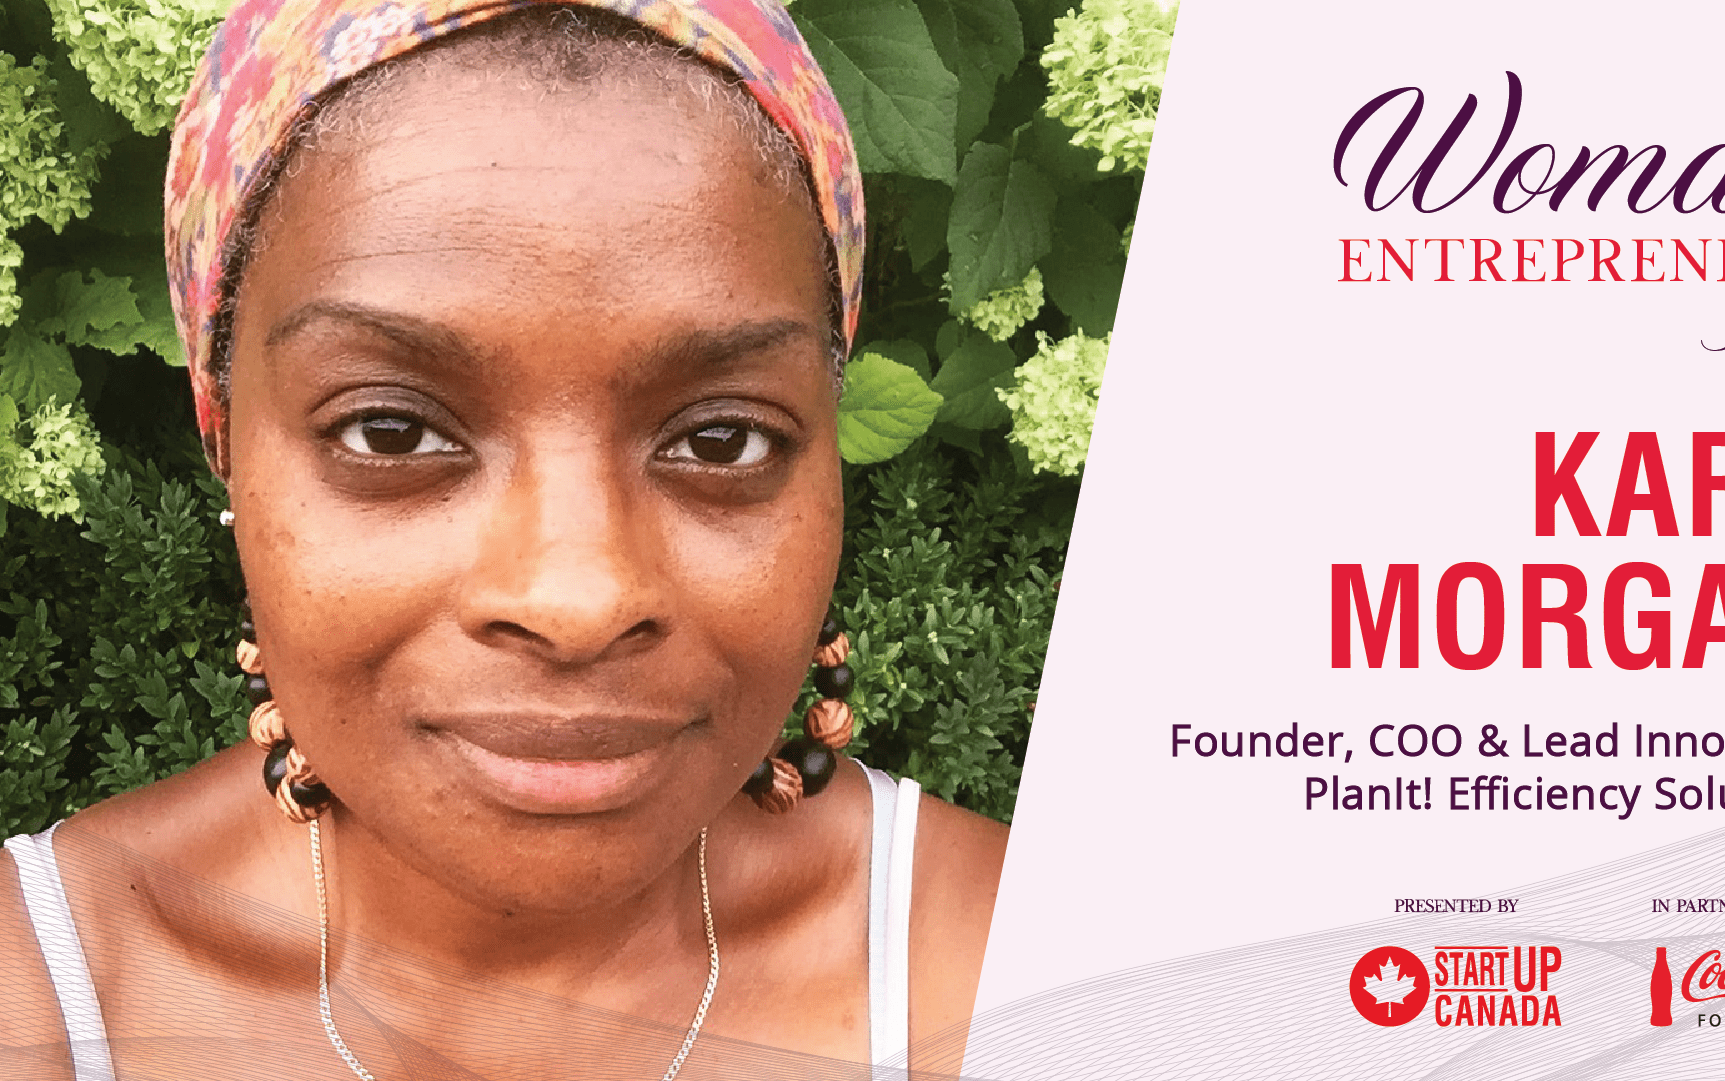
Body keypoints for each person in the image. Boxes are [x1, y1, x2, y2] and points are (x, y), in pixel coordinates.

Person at [0, 1, 1007, 1077]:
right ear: (227, 442)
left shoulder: (1023, 973)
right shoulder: (43, 997)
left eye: (721, 439)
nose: (578, 600)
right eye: (390, 431)